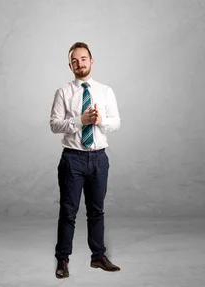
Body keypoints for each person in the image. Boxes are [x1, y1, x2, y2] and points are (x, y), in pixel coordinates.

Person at [49, 42, 121, 279]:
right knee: (68, 211)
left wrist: (100, 120)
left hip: (99, 158)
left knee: (97, 210)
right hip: (73, 159)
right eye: (74, 60)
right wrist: (80, 120)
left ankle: (98, 256)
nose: (79, 64)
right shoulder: (63, 92)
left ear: (92, 61)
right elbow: (54, 125)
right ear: (70, 65)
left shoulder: (106, 91)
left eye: (83, 59)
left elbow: (116, 123)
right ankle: (62, 259)